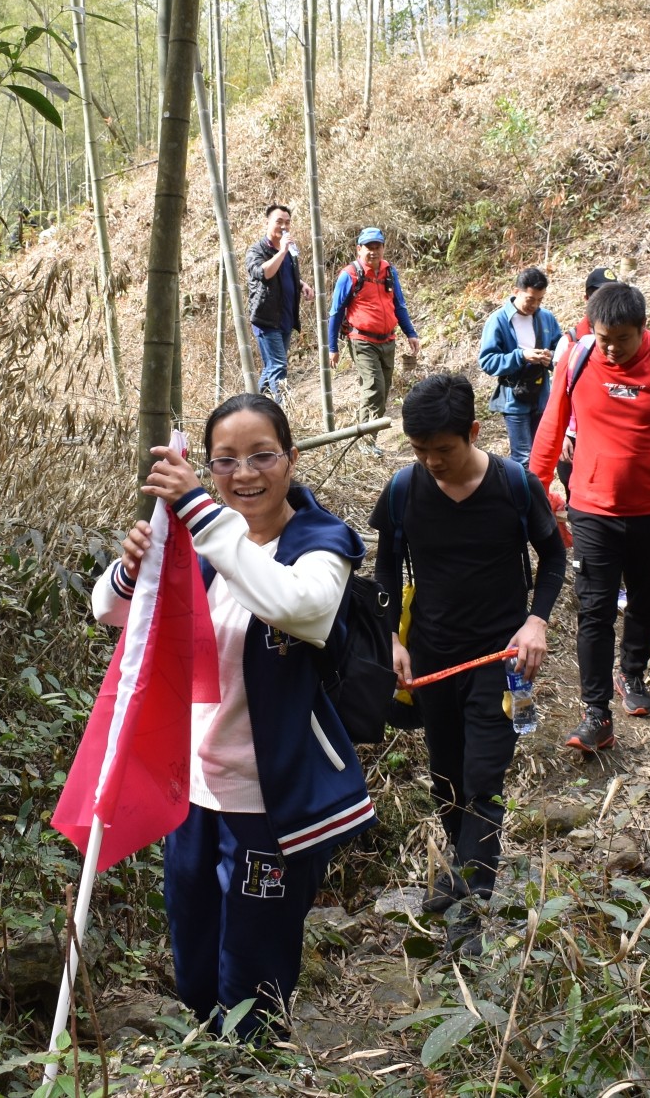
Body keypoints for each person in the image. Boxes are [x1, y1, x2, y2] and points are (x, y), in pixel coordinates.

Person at [90, 393, 373, 1035]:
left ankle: (252, 1070)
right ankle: (205, 1058)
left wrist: (199, 515)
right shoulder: (200, 539)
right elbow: (111, 613)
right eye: (225, 461)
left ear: (291, 460)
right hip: (193, 790)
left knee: (254, 976)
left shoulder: (322, 544)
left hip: (271, 801)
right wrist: (133, 569)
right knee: (193, 960)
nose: (244, 474)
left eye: (261, 456)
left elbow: (297, 606)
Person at [370, 375, 564, 952]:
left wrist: (538, 620)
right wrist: (391, 639)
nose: (432, 461)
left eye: (443, 450)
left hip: (502, 658)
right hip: (431, 653)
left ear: (473, 433)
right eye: (420, 450)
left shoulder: (513, 484)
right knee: (447, 774)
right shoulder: (404, 490)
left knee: (484, 775)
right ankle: (460, 869)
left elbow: (552, 555)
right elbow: (385, 572)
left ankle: (473, 903)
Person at [529, 282, 650, 750]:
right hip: (593, 508)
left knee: (645, 599)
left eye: (622, 338)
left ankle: (632, 673)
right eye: (604, 339)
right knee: (594, 608)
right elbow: (551, 428)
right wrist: (533, 491)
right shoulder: (577, 360)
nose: (612, 349)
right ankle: (595, 713)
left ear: (644, 327)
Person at [326, 227, 421, 453]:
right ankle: (365, 443)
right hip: (362, 340)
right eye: (369, 247)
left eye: (377, 247)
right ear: (359, 249)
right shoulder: (349, 274)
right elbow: (336, 312)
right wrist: (332, 347)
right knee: (374, 387)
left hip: (387, 340)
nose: (373, 252)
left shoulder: (389, 272)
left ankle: (369, 439)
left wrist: (410, 333)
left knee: (383, 389)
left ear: (383, 248)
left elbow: (399, 304)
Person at [477, 268, 563, 465]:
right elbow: (488, 361)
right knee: (523, 457)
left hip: (541, 395)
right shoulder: (498, 320)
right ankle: (524, 495)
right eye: (530, 299)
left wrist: (550, 358)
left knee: (542, 453)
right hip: (514, 398)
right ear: (516, 291)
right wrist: (521, 356)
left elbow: (560, 350)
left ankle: (540, 494)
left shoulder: (546, 317)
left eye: (540, 300)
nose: (535, 305)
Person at [551, 267, 617, 492]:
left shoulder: (626, 341)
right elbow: (557, 400)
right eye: (598, 296)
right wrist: (562, 436)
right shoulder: (569, 342)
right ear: (587, 299)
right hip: (575, 437)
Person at [243, 206, 315, 400]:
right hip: (266, 319)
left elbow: (285, 275)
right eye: (279, 221)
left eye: (287, 222)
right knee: (278, 367)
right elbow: (264, 273)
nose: (284, 226)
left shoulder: (289, 250)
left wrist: (302, 284)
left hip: (285, 318)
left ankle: (255, 407)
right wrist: (282, 250)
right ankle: (284, 412)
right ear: (267, 223)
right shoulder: (256, 251)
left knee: (271, 368)